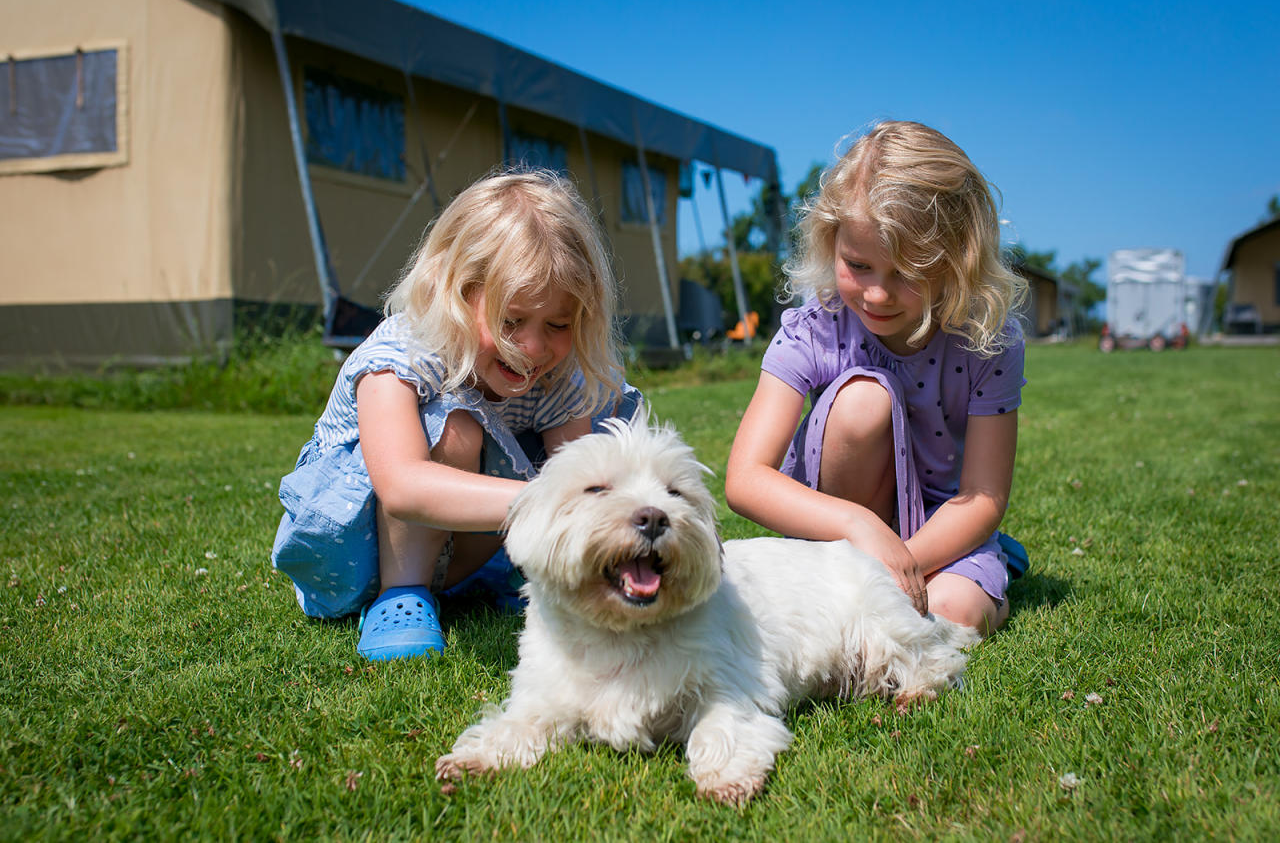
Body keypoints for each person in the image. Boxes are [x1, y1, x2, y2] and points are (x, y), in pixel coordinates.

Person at [271, 170, 638, 661]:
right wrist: (557, 495)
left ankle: (515, 579)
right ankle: (401, 595)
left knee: (590, 438)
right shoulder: (402, 353)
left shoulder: (557, 378)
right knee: (458, 424)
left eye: (557, 324)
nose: (531, 347)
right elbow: (402, 486)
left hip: (462, 557)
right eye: (511, 321)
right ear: (456, 291)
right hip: (351, 554)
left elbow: (576, 472)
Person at [725, 120, 1029, 637]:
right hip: (838, 532)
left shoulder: (987, 340)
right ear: (830, 240)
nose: (878, 295)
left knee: (952, 611)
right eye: (859, 265)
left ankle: (973, 579)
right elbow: (745, 480)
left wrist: (902, 562)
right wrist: (857, 525)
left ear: (958, 262)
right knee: (863, 400)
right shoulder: (818, 327)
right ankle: (851, 580)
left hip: (935, 534)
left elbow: (983, 495)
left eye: (908, 274)